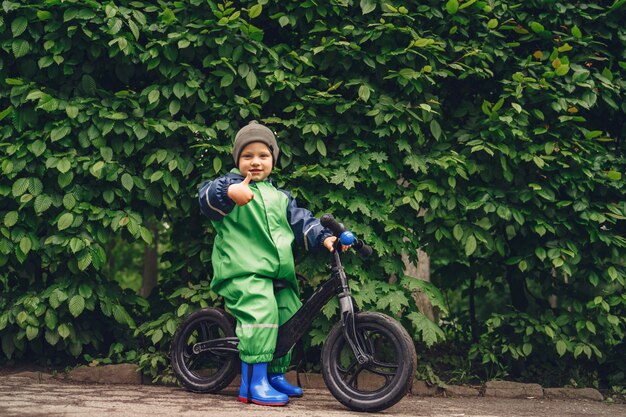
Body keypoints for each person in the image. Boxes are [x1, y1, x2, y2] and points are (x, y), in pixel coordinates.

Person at [198, 121, 342, 406]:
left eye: (263, 156)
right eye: (247, 156)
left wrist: (325, 237)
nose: (255, 162)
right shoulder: (231, 186)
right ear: (237, 159)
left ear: (273, 160)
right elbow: (206, 196)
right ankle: (253, 382)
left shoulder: (280, 197)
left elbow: (304, 222)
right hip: (244, 272)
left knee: (289, 315)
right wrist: (228, 192)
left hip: (279, 274)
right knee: (261, 313)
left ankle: (275, 374)